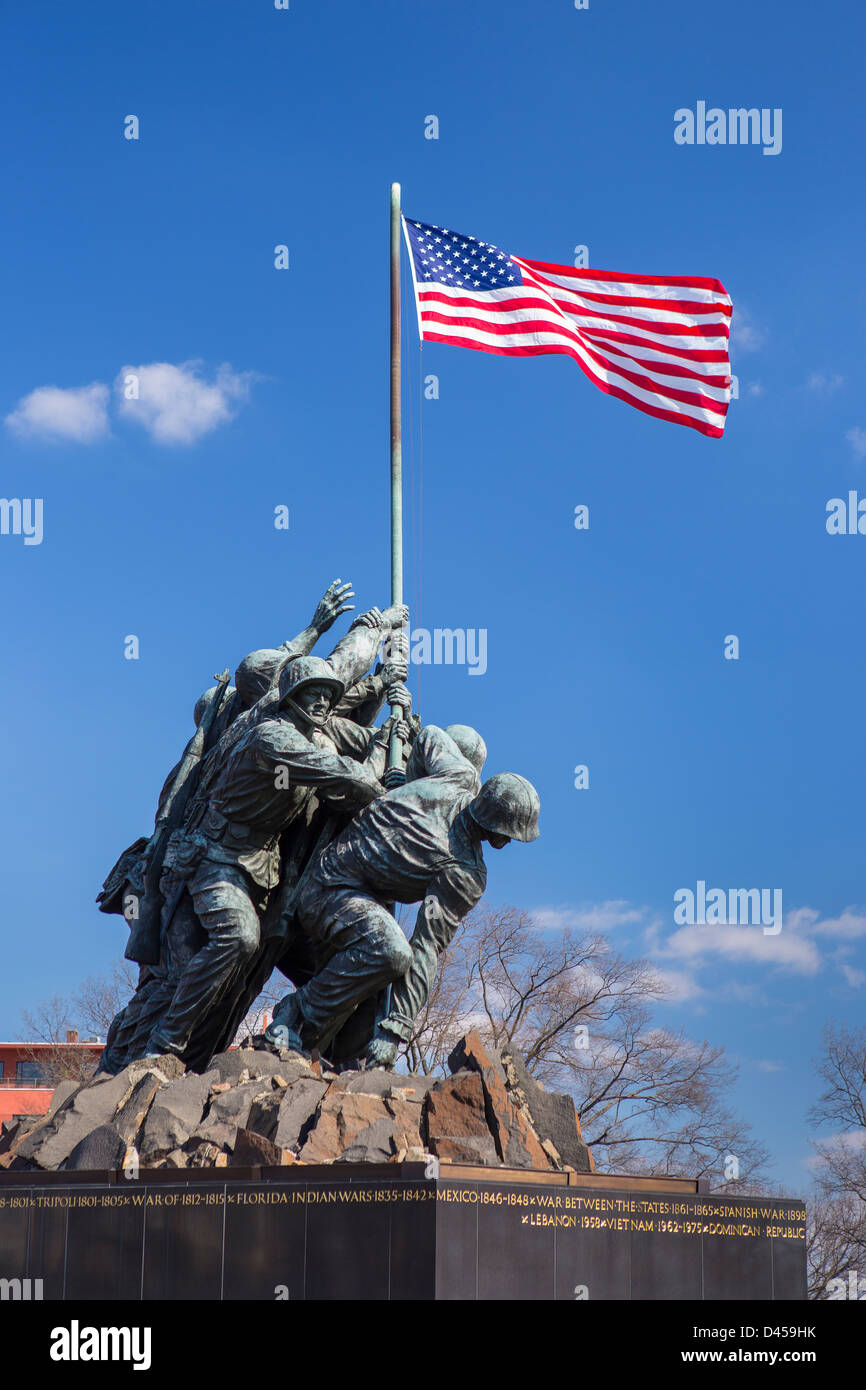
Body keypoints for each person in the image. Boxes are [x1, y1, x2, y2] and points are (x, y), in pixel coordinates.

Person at [260, 725, 540, 1067]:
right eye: (510, 833)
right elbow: (425, 948)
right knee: (391, 952)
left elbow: (428, 736)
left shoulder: (458, 774)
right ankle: (294, 1011)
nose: (510, 841)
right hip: (330, 886)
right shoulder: (463, 873)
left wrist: (408, 784)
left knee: (363, 1021)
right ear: (496, 826)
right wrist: (397, 1030)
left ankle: (327, 1056)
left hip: (357, 896)